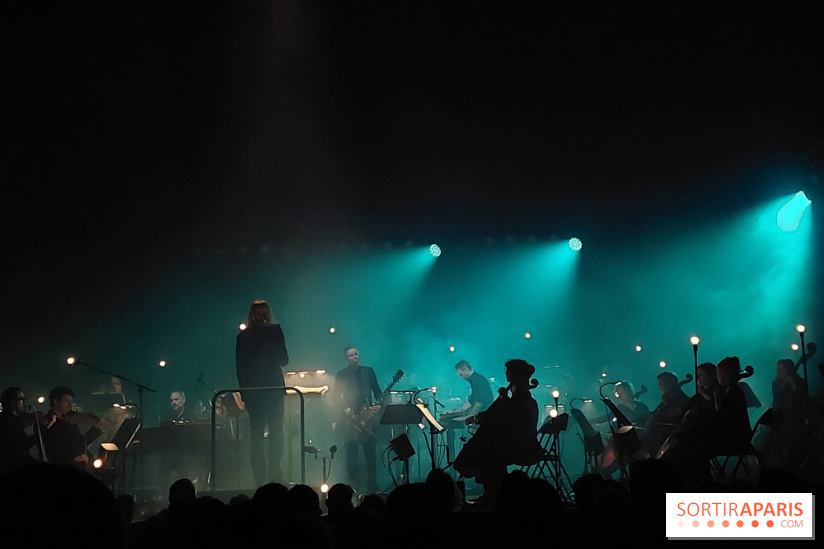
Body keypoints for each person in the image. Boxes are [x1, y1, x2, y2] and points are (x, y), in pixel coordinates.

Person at [453, 359, 544, 505]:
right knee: (489, 449)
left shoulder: (521, 396)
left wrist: (500, 403)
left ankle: (493, 492)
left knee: (487, 452)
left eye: (508, 370)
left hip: (522, 444)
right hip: (516, 439)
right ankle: (493, 491)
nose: (506, 373)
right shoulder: (517, 394)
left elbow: (508, 418)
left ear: (514, 373)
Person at [236, 299, 290, 487]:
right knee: (277, 433)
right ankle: (275, 474)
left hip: (253, 392)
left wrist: (244, 394)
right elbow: (284, 360)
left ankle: (259, 479)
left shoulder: (242, 336)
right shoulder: (274, 330)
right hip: (273, 389)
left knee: (256, 436)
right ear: (267, 314)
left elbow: (239, 367)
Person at [329, 346, 383, 494]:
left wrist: (378, 406)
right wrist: (345, 408)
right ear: (346, 359)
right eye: (351, 355)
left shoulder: (368, 372)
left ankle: (372, 487)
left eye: (356, 354)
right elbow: (334, 396)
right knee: (351, 456)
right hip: (349, 419)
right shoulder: (342, 374)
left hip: (367, 417)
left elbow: (378, 392)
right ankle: (352, 489)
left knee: (370, 456)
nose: (355, 357)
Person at [39, 386, 101, 468]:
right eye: (66, 401)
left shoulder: (69, 421)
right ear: (56, 401)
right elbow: (57, 449)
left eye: (71, 402)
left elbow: (79, 442)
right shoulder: (48, 422)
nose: (70, 405)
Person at [642, 372, 690, 456]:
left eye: (661, 384)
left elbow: (678, 415)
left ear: (670, 385)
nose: (660, 388)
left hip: (674, 441)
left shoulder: (683, 400)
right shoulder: (667, 400)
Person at [0, 387, 39, 474]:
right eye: (22, 399)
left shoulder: (9, 420)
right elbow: (19, 447)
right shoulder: (6, 423)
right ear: (13, 402)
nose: (24, 404)